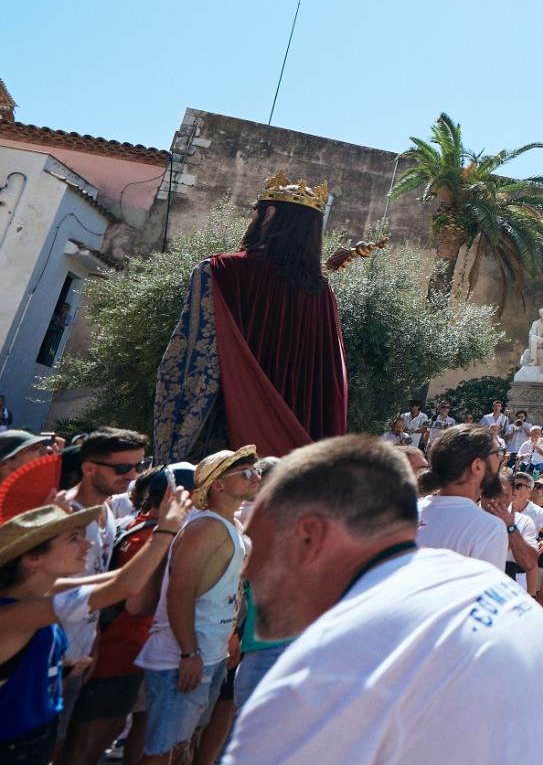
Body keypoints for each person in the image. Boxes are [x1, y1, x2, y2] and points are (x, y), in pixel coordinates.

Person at [223, 435, 543, 763]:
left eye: (259, 549)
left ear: (310, 536)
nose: (247, 573)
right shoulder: (474, 580)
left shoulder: (313, 677)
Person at [0, 455, 188, 764]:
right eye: (73, 538)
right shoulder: (16, 612)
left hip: (33, 739)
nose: (86, 545)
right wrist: (165, 531)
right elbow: (124, 587)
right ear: (32, 558)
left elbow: (117, 580)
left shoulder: (44, 591)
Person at [152, 172, 346, 462]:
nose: (252, 216)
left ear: (269, 214)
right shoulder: (322, 290)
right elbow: (331, 378)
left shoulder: (219, 271)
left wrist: (174, 446)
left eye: (254, 210)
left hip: (224, 446)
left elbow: (190, 361)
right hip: (298, 453)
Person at [134, 447, 258, 764]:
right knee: (162, 748)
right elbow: (179, 593)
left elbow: (231, 592)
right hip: (183, 653)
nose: (255, 476)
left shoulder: (232, 527)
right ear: (218, 485)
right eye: (245, 473)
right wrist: (189, 652)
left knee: (181, 744)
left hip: (210, 651)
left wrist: (231, 636)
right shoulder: (206, 527)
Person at [60, 467, 170, 765]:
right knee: (85, 749)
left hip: (106, 647)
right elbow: (137, 604)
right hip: (122, 651)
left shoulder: (127, 523)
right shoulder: (148, 538)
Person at [414, 424, 507, 567]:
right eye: (497, 453)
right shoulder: (489, 529)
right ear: (477, 466)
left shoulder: (404, 514)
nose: (501, 459)